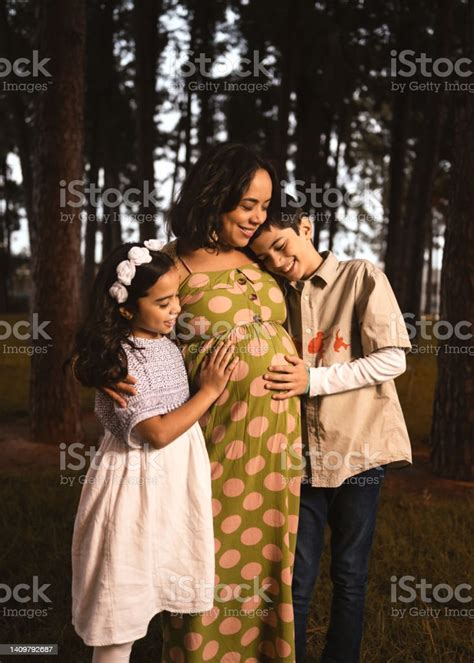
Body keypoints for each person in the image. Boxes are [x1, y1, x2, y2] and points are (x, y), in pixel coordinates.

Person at [107, 143, 303, 662]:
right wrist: (102, 374)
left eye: (264, 205)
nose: (258, 216)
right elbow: (113, 326)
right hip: (216, 440)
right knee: (205, 552)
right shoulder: (170, 264)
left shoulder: (263, 255)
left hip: (278, 444)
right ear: (214, 197)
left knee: (268, 558)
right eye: (247, 205)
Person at [249, 201, 412, 662]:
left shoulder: (361, 277)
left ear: (305, 226)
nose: (278, 263)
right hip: (297, 457)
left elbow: (393, 358)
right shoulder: (274, 294)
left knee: (350, 575)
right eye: (266, 257)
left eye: (281, 247)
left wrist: (315, 381)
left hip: (359, 452)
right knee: (295, 583)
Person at [70, 240, 239, 663]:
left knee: (157, 574)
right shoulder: (124, 358)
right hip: (132, 487)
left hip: (168, 486)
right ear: (126, 309)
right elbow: (158, 433)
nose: (176, 309)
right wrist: (211, 392)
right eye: (163, 302)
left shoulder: (158, 341)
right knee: (121, 604)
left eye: (176, 298)